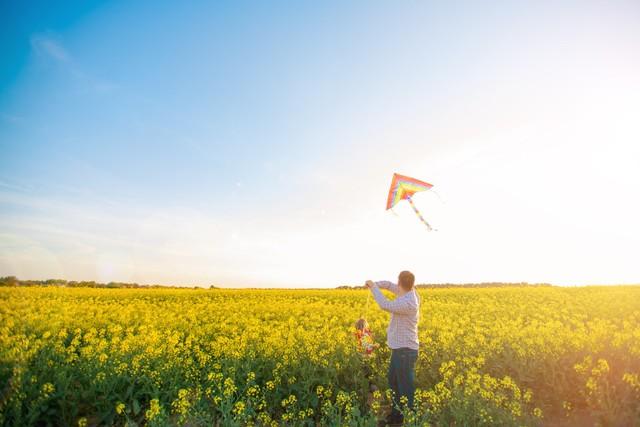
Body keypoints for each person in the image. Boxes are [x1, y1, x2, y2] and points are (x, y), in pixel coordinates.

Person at [365, 271, 420, 426]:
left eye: (397, 283)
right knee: (394, 382)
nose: (395, 285)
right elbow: (389, 286)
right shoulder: (407, 292)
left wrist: (374, 288)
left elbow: (385, 305)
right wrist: (375, 284)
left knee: (405, 387)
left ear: (400, 282)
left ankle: (409, 418)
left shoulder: (408, 302)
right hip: (399, 350)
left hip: (405, 351)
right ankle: (397, 415)